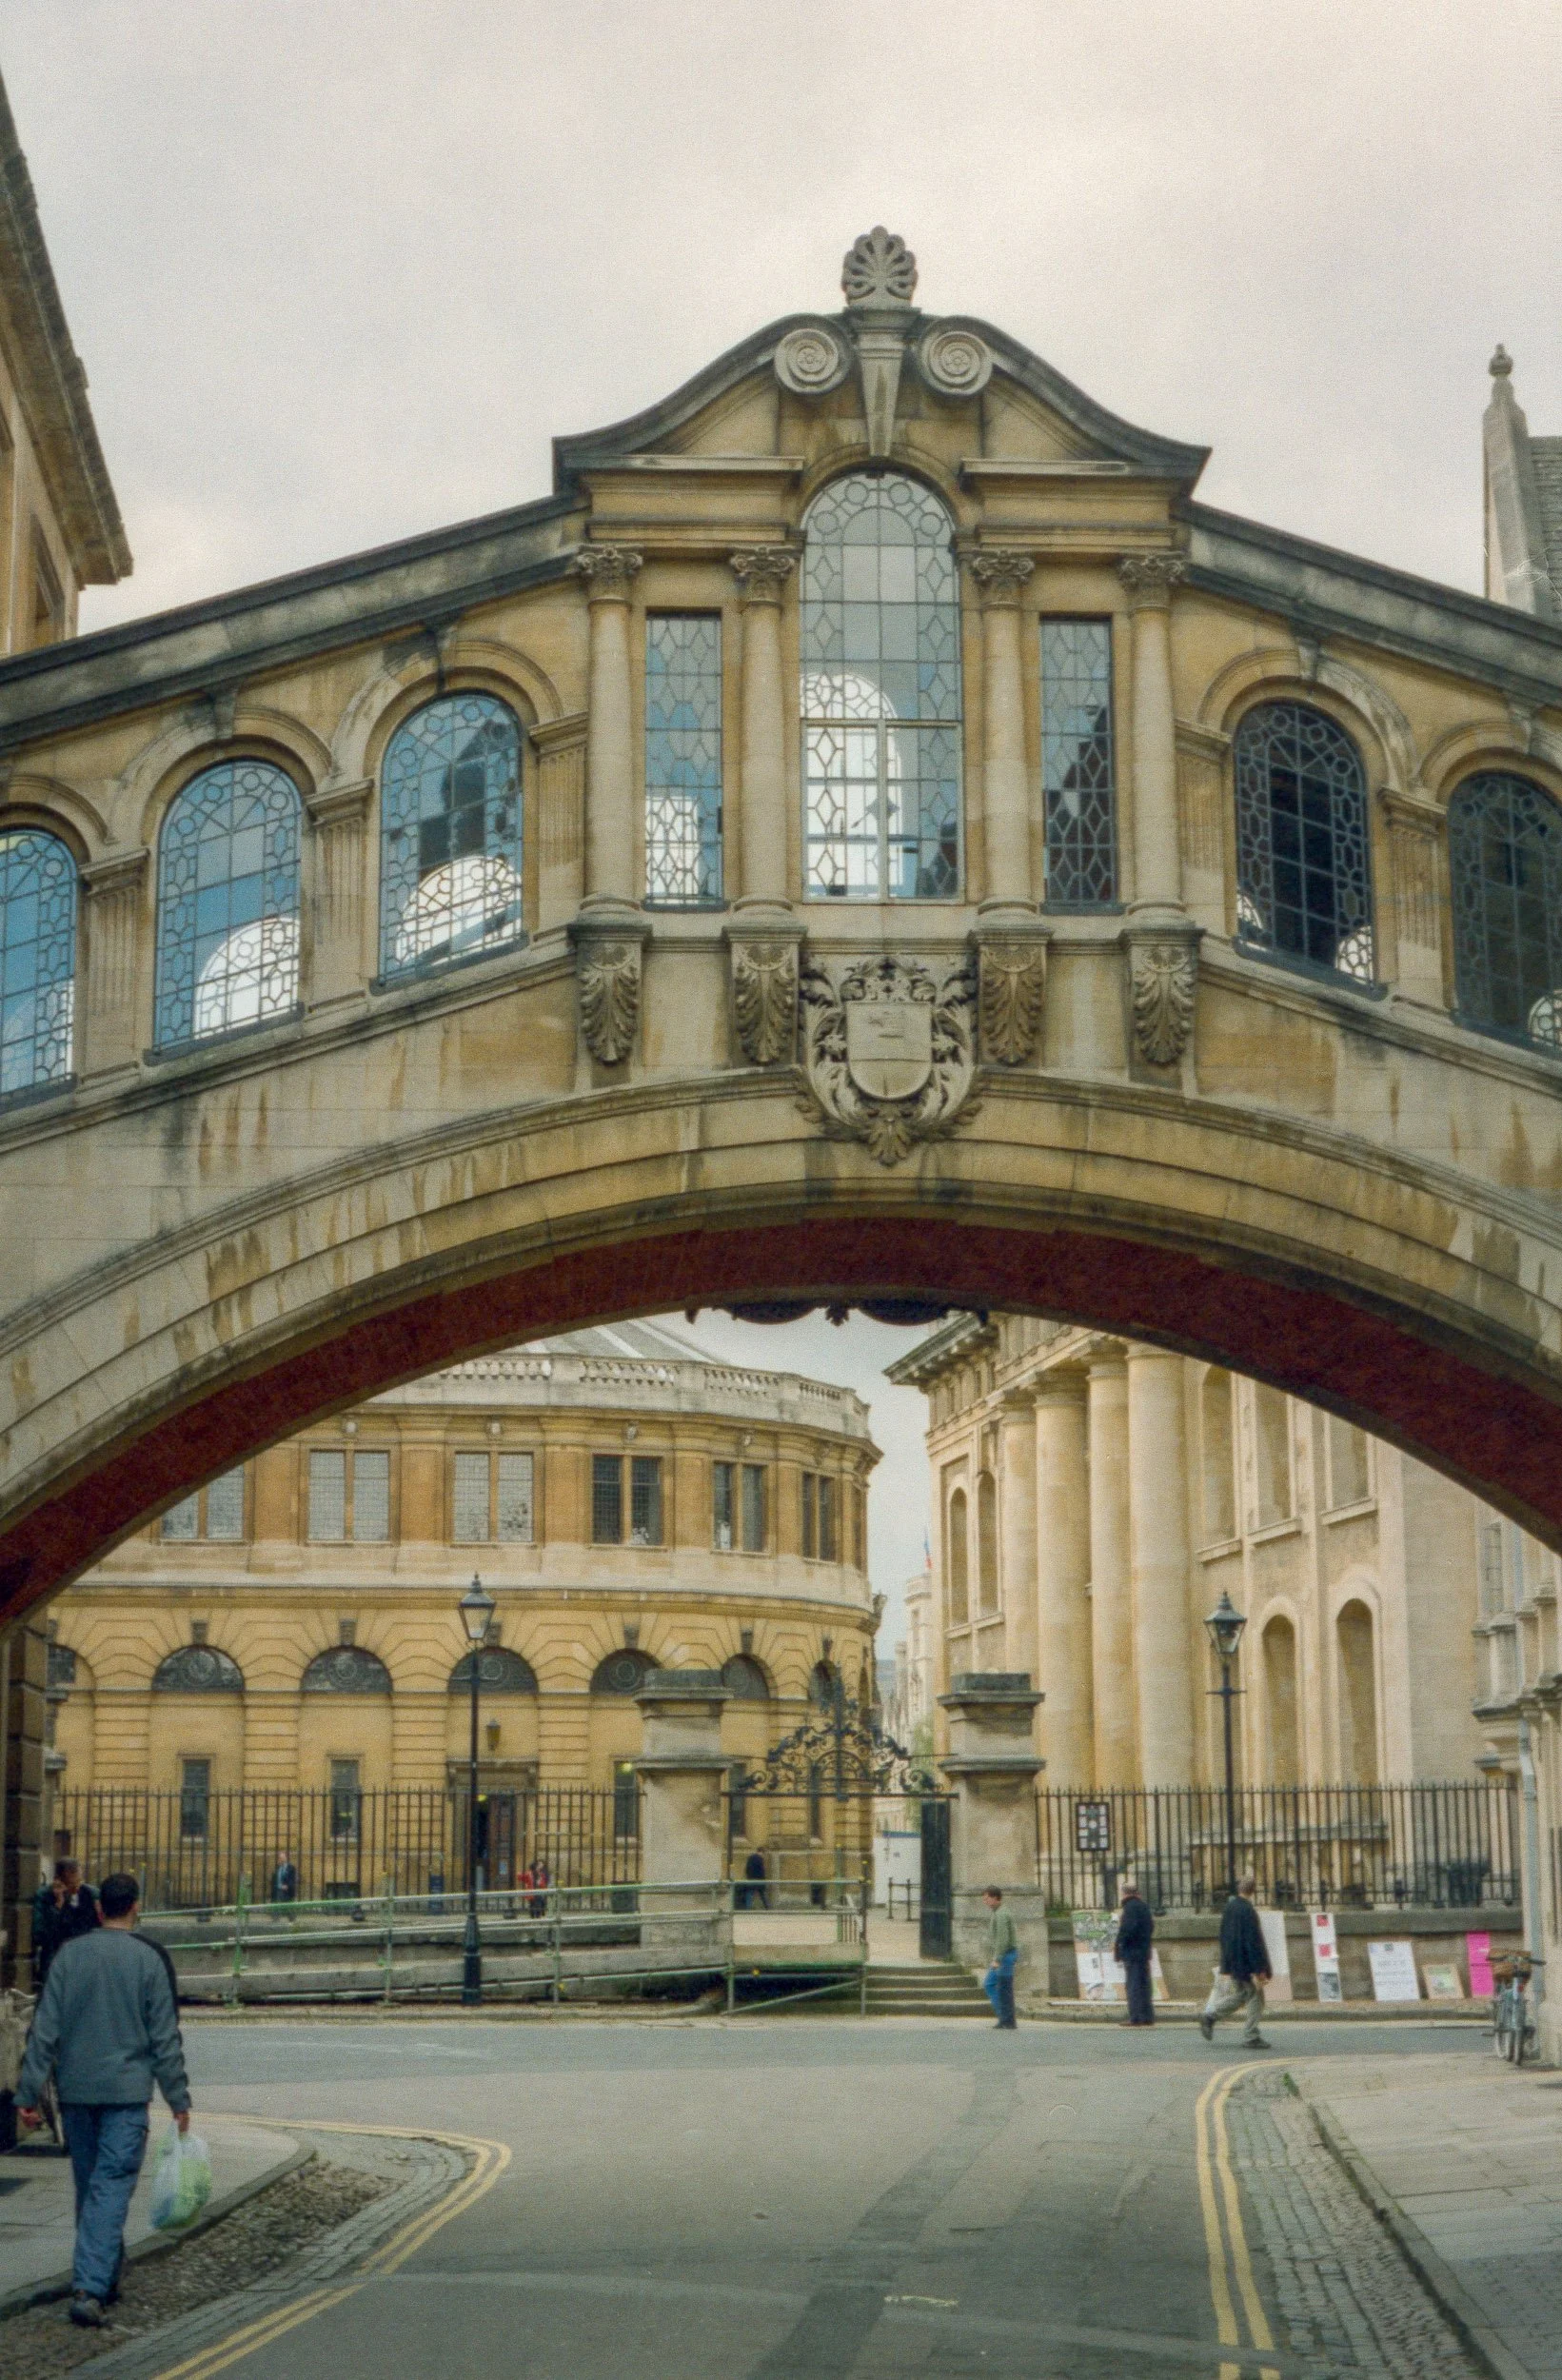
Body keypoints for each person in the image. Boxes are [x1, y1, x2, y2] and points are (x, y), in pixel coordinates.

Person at [15, 1871, 192, 2330]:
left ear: (97, 1909)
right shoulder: (149, 1960)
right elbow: (165, 2038)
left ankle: (104, 2276)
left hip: (77, 2092)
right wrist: (178, 2097)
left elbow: (44, 2030)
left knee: (91, 2185)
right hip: (126, 2094)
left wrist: (27, 2092)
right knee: (110, 2186)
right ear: (135, 1907)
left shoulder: (69, 1957)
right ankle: (90, 2288)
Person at [1199, 1873, 1273, 2049]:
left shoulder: (1230, 1907)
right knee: (1256, 1998)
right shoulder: (1248, 1911)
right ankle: (1251, 2035)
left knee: (1241, 1996)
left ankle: (1210, 2016)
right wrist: (1259, 1968)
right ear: (1253, 1891)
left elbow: (1224, 1936)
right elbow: (1253, 1942)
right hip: (1247, 1963)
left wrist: (1226, 1962)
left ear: (1239, 1888)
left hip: (1234, 1961)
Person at [32, 1860, 99, 1988]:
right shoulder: (45, 1896)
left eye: (79, 1882)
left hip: (84, 1958)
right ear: (58, 1881)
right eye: (72, 1885)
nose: (77, 1888)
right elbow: (40, 1935)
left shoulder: (91, 1894)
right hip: (56, 1959)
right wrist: (58, 1906)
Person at [1113, 1876, 1156, 2026]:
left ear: (1124, 1893)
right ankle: (1147, 2016)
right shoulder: (1144, 1906)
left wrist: (1120, 1945)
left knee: (1133, 1984)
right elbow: (1150, 1926)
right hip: (1143, 1950)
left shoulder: (1129, 1908)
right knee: (1144, 1984)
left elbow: (1127, 1929)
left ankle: (1136, 2017)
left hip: (1132, 1951)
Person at [981, 1886, 1018, 2030]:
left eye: (987, 1898)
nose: (985, 1902)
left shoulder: (1001, 1915)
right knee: (997, 1986)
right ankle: (1005, 2018)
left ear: (995, 1897)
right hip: (1005, 1955)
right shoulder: (999, 1912)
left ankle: (1006, 2018)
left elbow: (1003, 1939)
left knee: (1001, 1987)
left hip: (1005, 1956)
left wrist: (997, 1959)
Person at [741, 1848, 768, 1912]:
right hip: (759, 1879)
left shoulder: (750, 1858)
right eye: (763, 1854)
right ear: (761, 1852)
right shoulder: (760, 1859)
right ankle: (767, 1907)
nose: (763, 1855)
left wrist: (748, 1876)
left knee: (749, 1893)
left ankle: (748, 1908)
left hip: (751, 1878)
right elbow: (761, 1871)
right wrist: (763, 1879)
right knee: (762, 1894)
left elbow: (747, 1869)